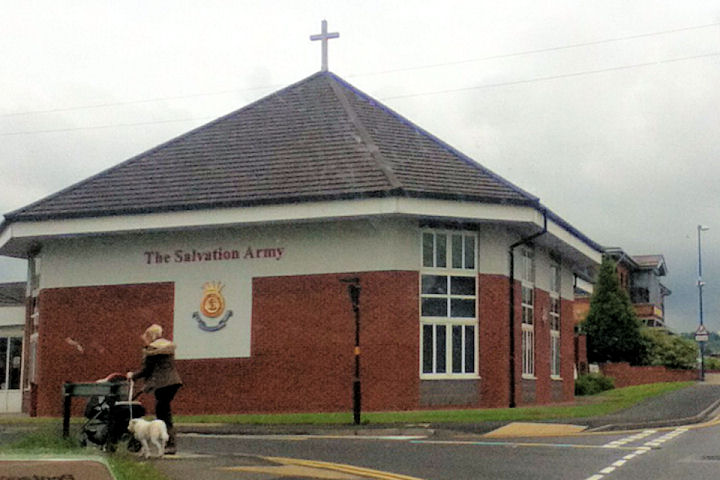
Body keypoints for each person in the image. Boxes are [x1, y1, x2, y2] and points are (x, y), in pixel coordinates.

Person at [127, 324, 182, 454]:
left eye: (145, 338)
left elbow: (147, 370)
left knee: (163, 414)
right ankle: (169, 442)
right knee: (165, 411)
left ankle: (169, 444)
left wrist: (132, 375)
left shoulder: (152, 349)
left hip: (162, 384)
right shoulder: (167, 347)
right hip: (173, 382)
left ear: (150, 336)